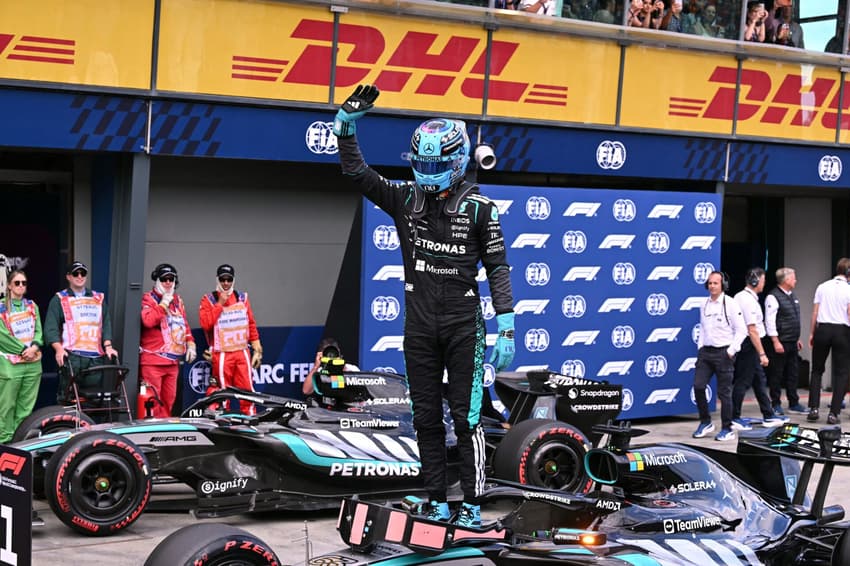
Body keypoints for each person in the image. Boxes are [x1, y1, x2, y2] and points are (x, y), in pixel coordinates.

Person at [333, 84, 515, 528]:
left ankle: (472, 504)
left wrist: (506, 323)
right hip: (418, 326)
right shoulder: (404, 199)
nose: (427, 171)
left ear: (456, 161)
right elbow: (359, 174)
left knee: (467, 418)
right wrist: (345, 131)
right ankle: (437, 500)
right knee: (425, 418)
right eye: (423, 163)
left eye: (437, 164)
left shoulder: (481, 208)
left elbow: (498, 266)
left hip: (463, 325)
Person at [44, 261, 119, 403]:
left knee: (93, 400)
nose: (79, 276)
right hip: (71, 357)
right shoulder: (59, 299)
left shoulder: (98, 298)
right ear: (68, 277)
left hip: (94, 358)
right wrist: (58, 349)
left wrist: (108, 346)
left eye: (83, 273)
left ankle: (90, 425)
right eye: (75, 273)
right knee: (68, 398)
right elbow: (51, 328)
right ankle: (68, 425)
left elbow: (106, 323)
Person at [199, 264, 262, 415]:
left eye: (229, 279)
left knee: (247, 390)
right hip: (221, 354)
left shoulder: (242, 298)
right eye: (222, 279)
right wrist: (219, 303)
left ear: (233, 280)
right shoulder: (208, 299)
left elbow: (250, 323)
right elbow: (206, 324)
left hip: (242, 351)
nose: (226, 283)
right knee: (222, 391)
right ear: (217, 280)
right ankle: (222, 423)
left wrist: (257, 348)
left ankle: (250, 420)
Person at [692, 271, 748, 441]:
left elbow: (742, 330)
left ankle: (727, 428)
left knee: (724, 393)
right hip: (706, 353)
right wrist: (700, 347)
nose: (712, 286)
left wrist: (731, 351)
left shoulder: (730, 304)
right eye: (709, 283)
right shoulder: (704, 304)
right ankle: (705, 422)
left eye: (715, 283)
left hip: (724, 353)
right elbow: (702, 327)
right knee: (698, 386)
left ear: (723, 284)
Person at [730, 268, 788, 431]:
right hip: (750, 344)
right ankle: (734, 417)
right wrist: (762, 353)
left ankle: (768, 414)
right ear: (756, 282)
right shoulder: (748, 301)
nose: (764, 283)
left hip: (749, 343)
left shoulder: (742, 297)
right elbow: (752, 330)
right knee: (743, 381)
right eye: (762, 280)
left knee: (759, 381)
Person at [139, 263, 197, 417]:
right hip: (153, 362)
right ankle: (149, 435)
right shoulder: (148, 298)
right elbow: (148, 321)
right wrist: (163, 303)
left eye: (171, 279)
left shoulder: (178, 300)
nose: (168, 282)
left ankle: (163, 436)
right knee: (152, 403)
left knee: (169, 401)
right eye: (164, 279)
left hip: (173, 363)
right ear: (157, 280)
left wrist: (191, 344)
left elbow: (184, 326)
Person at [0, 270, 43, 443]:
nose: (20, 286)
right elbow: (2, 336)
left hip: (33, 364)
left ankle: (20, 443)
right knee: (6, 407)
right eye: (17, 283)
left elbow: (39, 331)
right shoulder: (1, 307)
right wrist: (24, 350)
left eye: (23, 283)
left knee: (26, 408)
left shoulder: (32, 306)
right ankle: (4, 443)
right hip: (10, 364)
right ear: (9, 285)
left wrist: (34, 347)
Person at [806, 258, 850, 424]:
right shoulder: (848, 289)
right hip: (842, 331)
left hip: (822, 329)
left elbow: (814, 313)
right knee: (841, 372)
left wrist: (812, 333)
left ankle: (814, 408)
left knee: (817, 370)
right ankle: (834, 413)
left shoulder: (822, 286)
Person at [763, 267, 806, 415]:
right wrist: (775, 341)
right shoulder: (773, 297)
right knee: (777, 373)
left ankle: (793, 402)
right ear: (786, 280)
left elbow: (793, 318)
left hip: (792, 341)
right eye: (793, 277)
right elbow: (770, 320)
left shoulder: (792, 295)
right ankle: (775, 403)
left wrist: (797, 338)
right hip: (780, 342)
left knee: (793, 373)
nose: (796, 280)